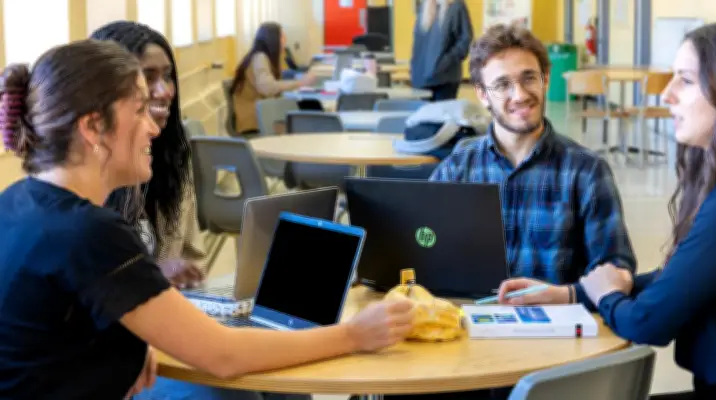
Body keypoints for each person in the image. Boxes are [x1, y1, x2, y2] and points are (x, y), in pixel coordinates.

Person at [0, 39, 414, 399]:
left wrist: (138, 337)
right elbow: (224, 355)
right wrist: (355, 334)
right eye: (140, 109)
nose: (153, 128)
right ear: (93, 127)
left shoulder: (18, 201)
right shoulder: (89, 233)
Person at [500, 21, 716, 400]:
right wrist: (574, 294)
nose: (667, 95)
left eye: (685, 81)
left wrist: (608, 297)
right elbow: (684, 277)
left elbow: (646, 323)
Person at [383, 24, 636, 400]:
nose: (520, 94)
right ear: (483, 95)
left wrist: (564, 293)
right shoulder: (460, 164)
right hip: (465, 346)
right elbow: (421, 240)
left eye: (528, 78)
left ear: (545, 80)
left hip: (548, 356)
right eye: (502, 85)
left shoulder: (586, 171)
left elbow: (618, 273)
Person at [90, 21, 205, 289]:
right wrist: (149, 277)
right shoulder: (84, 171)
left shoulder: (173, 152)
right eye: (147, 77)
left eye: (167, 76)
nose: (164, 91)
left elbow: (192, 255)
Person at [231, 22, 317, 136]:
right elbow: (267, 87)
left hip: (262, 114)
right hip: (254, 121)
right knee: (309, 115)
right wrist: (299, 83)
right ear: (272, 39)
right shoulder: (260, 58)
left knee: (308, 109)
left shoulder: (262, 57)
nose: (284, 40)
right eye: (282, 36)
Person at [410, 0, 473, 101]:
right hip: (421, 80)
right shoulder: (424, 8)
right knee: (423, 116)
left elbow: (465, 40)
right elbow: (417, 44)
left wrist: (446, 61)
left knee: (441, 116)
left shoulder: (457, 7)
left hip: (445, 79)